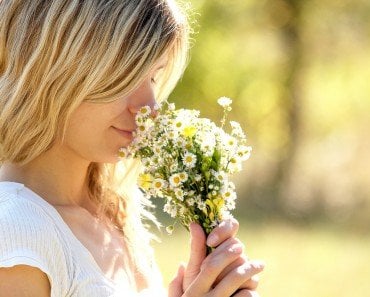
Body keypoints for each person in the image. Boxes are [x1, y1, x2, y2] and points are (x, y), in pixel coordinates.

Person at [0, 0, 264, 296]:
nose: (150, 107)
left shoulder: (114, 211)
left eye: (153, 76)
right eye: (125, 75)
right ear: (54, 66)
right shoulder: (15, 230)